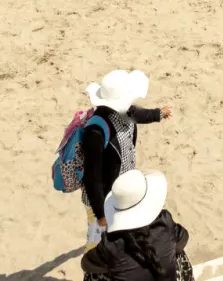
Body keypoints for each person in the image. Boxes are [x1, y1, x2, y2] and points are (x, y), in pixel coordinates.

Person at [80, 71, 174, 245]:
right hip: (102, 198)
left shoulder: (125, 111)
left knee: (121, 236)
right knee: (98, 244)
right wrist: (100, 214)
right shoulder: (95, 133)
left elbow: (138, 114)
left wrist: (158, 114)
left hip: (121, 189)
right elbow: (92, 178)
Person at [82, 169, 190, 281]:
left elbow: (86, 264)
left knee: (95, 275)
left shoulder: (111, 244)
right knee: (177, 252)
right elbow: (183, 238)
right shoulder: (165, 222)